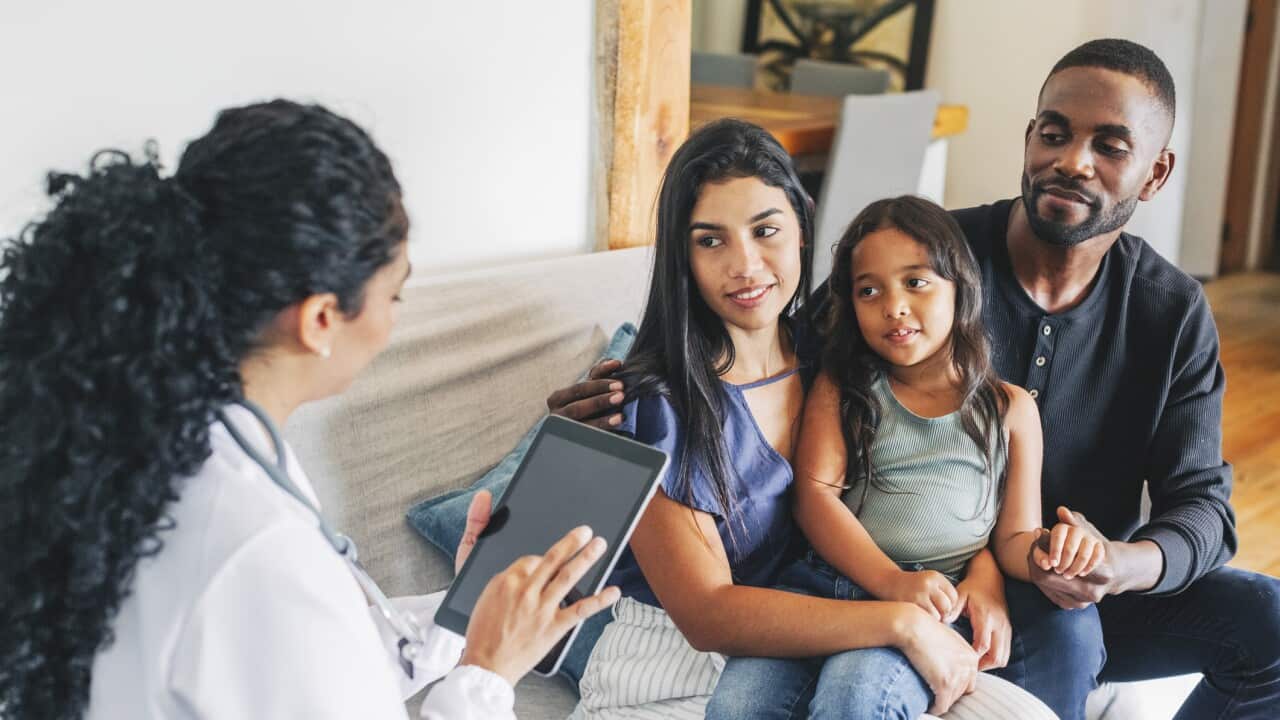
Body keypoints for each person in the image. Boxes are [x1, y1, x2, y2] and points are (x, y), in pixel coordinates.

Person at [555, 39, 1280, 720]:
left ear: (1155, 173)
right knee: (1050, 642)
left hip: (1069, 580)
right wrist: (632, 386)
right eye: (1053, 134)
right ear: (1029, 140)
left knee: (1265, 622)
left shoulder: (1170, 310)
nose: (1073, 162)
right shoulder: (929, 251)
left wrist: (1115, 565)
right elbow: (782, 336)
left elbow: (1205, 511)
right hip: (904, 570)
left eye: (1110, 146)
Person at [0, 100, 618, 720]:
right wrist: (488, 674)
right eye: (395, 292)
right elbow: (291, 631)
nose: (394, 318)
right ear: (320, 319)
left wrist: (462, 608)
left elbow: (305, 666)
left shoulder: (175, 442)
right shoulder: (259, 549)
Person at [564, 119, 1045, 719]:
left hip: (842, 632)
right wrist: (900, 622)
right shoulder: (659, 404)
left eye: (765, 230)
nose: (745, 264)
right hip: (676, 667)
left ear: (802, 227)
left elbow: (924, 484)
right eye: (710, 240)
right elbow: (709, 615)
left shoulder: (836, 357)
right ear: (682, 256)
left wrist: (982, 572)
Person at [706, 195, 1063, 719]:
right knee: (738, 706)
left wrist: (1061, 551)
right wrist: (890, 581)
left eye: (916, 282)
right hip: (822, 586)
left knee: (855, 700)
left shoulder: (1010, 409)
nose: (893, 305)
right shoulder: (845, 387)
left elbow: (1013, 538)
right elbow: (814, 499)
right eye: (868, 290)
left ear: (960, 288)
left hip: (931, 602)